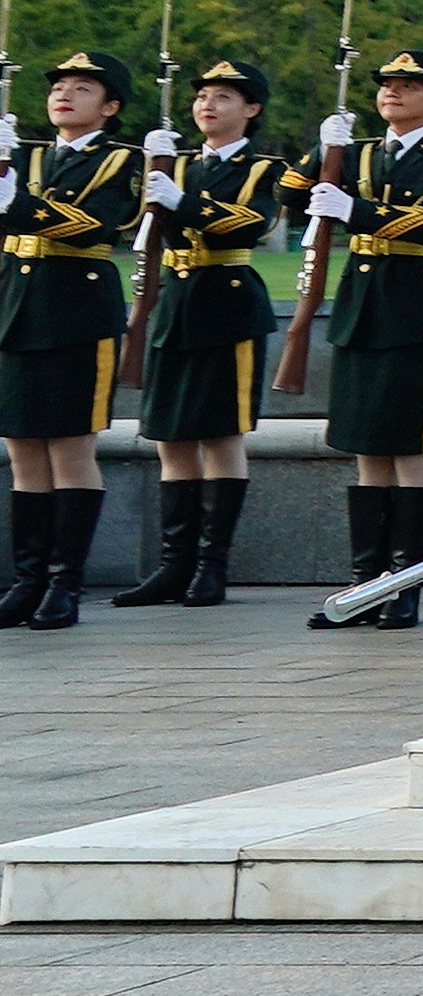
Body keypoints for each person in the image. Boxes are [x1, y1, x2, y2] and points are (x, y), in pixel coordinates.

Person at [294, 51, 423, 629]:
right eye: (386, 84)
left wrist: (356, 210)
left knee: (411, 449)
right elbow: (288, 192)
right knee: (368, 451)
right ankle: (365, 583)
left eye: (409, 85)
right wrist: (319, 151)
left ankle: (405, 585)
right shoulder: (354, 153)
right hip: (361, 306)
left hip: (414, 310)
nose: (392, 92)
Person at [119, 62, 294, 608]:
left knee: (221, 435)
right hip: (175, 302)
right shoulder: (175, 165)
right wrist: (148, 175)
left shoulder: (264, 167)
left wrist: (183, 201)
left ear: (252, 109)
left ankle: (211, 565)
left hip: (227, 303)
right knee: (171, 436)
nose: (207, 106)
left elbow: (251, 222)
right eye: (202, 98)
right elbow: (130, 221)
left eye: (223, 98)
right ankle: (175, 565)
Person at [0, 51, 144, 626]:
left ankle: (65, 584)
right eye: (59, 85)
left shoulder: (121, 161)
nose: (64, 94)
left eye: (82, 88)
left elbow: (94, 225)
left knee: (69, 448)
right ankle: (27, 581)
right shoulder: (25, 155)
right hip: (16, 309)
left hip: (76, 314)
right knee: (23, 449)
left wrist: (14, 196)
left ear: (109, 107)